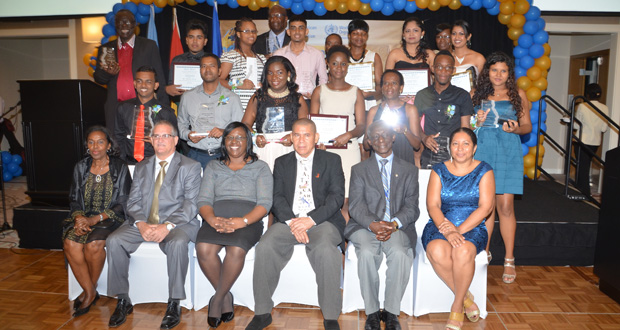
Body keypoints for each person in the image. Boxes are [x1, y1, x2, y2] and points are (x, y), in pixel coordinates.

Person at [245, 118, 345, 330]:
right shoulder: (282, 163)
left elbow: (336, 198)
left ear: (316, 138)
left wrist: (310, 220)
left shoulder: (332, 160)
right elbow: (277, 197)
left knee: (327, 251)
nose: (301, 140)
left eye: (306, 135)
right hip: (289, 220)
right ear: (291, 138)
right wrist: (293, 222)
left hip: (322, 221)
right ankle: (262, 312)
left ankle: (330, 316)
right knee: (265, 246)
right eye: (297, 135)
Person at [106, 121, 202, 329]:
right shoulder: (142, 167)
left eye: (165, 136)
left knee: (177, 244)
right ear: (150, 140)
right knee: (114, 240)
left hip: (178, 224)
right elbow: (132, 202)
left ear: (176, 140)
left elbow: (191, 205)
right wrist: (140, 223)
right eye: (156, 136)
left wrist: (166, 225)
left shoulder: (190, 166)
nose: (160, 140)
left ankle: (174, 302)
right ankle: (123, 299)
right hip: (145, 222)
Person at [196, 122, 273, 328]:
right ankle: (226, 296)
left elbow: (265, 203)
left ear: (248, 141)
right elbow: (203, 200)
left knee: (236, 249)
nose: (234, 142)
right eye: (230, 137)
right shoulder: (213, 166)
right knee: (203, 248)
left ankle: (218, 299)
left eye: (240, 137)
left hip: (248, 220)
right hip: (216, 217)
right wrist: (211, 219)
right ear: (224, 142)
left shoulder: (260, 167)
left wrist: (243, 221)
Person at [347, 121, 419, 330]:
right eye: (375, 137)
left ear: (393, 137)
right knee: (368, 253)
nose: (381, 140)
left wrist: (393, 224)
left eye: (385, 135)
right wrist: (373, 224)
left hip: (397, 226)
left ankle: (391, 312)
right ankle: (371, 312)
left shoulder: (409, 170)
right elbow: (355, 206)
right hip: (364, 225)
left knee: (399, 253)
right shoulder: (359, 169)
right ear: (368, 141)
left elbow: (412, 207)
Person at [422, 127, 495, 330]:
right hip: (442, 224)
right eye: (455, 143)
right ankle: (466, 298)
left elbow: (486, 207)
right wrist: (448, 230)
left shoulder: (485, 170)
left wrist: (459, 230)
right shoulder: (439, 170)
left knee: (462, 251)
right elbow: (433, 206)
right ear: (449, 147)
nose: (460, 148)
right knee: (436, 250)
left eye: (466, 144)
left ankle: (456, 306)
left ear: (474, 148)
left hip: (473, 225)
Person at [472, 51, 532, 284]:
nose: (498, 75)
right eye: (494, 70)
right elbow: (469, 127)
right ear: (488, 72)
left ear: (509, 73)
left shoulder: (518, 93)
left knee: (505, 206)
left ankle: (509, 258)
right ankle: (484, 253)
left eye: (503, 70)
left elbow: (526, 126)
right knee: (485, 206)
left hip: (508, 150)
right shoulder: (477, 94)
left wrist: (515, 129)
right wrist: (477, 122)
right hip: (484, 150)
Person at [63, 126, 132, 317]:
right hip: (84, 216)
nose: (95, 146)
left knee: (93, 244)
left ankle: (88, 293)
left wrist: (96, 218)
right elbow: (74, 198)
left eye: (100, 141)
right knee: (70, 242)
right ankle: (91, 292)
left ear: (108, 145)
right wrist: (79, 218)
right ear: (86, 145)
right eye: (91, 142)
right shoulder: (80, 167)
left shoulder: (120, 167)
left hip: (110, 217)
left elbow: (124, 202)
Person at [310, 45, 365, 221]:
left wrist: (348, 135)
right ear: (327, 65)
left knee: (347, 199)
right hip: (325, 151)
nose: (339, 68)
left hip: (349, 151)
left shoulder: (356, 92)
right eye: (334, 63)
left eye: (343, 64)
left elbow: (362, 126)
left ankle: (345, 245)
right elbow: (312, 124)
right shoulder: (319, 91)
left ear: (348, 66)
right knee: (327, 198)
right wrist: (318, 144)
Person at [94, 9, 168, 133]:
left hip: (143, 106)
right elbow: (98, 77)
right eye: (120, 22)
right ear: (115, 25)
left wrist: (163, 107)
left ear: (134, 25)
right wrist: (108, 73)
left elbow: (159, 76)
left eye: (127, 22)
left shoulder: (149, 46)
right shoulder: (106, 48)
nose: (124, 25)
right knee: (117, 145)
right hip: (115, 108)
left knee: (142, 144)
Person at [242, 55, 308, 170]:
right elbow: (245, 124)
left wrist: (293, 137)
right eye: (270, 73)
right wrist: (255, 137)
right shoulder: (258, 97)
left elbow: (305, 128)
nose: (274, 77)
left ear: (288, 74)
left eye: (279, 73)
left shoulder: (297, 98)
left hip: (290, 149)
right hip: (263, 149)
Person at [178, 54, 244, 169]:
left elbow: (240, 129)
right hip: (195, 156)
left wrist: (225, 131)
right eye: (203, 66)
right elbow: (181, 124)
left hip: (223, 156)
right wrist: (188, 135)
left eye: (212, 66)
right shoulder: (188, 97)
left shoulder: (232, 98)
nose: (207, 69)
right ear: (200, 70)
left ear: (219, 71)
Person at [414, 50, 474, 169]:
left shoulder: (462, 95)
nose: (443, 71)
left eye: (448, 68)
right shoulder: (422, 95)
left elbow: (465, 128)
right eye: (439, 67)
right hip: (429, 152)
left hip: (454, 154)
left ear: (453, 70)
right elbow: (415, 124)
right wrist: (424, 137)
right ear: (432, 68)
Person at [114, 65, 178, 165]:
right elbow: (118, 137)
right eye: (139, 81)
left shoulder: (166, 112)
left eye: (148, 82)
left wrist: (158, 142)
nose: (143, 85)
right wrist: (121, 162)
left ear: (156, 85)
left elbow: (174, 140)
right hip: (128, 163)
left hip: (156, 164)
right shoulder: (123, 108)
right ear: (134, 84)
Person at [366, 70, 422, 164]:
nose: (389, 86)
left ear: (401, 87)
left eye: (394, 83)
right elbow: (366, 145)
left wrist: (404, 130)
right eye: (386, 83)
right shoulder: (374, 111)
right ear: (382, 87)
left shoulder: (410, 109)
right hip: (379, 163)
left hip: (403, 161)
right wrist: (375, 136)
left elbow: (417, 145)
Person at [274, 15, 328, 105]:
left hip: (309, 101)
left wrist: (316, 96)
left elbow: (323, 79)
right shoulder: (279, 54)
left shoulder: (317, 54)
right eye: (293, 28)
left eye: (301, 28)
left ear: (306, 31)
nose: (297, 31)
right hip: (283, 101)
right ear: (288, 32)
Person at [220, 18, 267, 109]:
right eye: (247, 31)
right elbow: (219, 81)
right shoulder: (230, 56)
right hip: (239, 106)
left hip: (258, 105)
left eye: (254, 31)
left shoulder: (261, 58)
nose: (251, 34)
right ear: (238, 34)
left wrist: (263, 85)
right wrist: (239, 84)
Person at [575, 83, 609, 196]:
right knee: (586, 165)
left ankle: (583, 192)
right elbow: (604, 128)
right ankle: (583, 191)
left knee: (581, 167)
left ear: (587, 94)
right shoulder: (605, 108)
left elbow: (576, 125)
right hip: (595, 142)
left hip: (583, 140)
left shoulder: (583, 106)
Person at [166, 19, 209, 98]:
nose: (195, 41)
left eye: (199, 38)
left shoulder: (212, 61)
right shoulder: (177, 60)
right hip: (182, 102)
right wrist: (167, 89)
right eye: (191, 37)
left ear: (205, 41)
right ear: (186, 40)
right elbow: (170, 85)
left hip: (207, 103)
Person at [348, 19, 383, 101]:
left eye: (363, 34)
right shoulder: (343, 56)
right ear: (349, 36)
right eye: (355, 34)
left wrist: (369, 94)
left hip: (368, 104)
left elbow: (380, 85)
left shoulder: (374, 57)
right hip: (346, 103)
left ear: (367, 36)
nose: (359, 37)